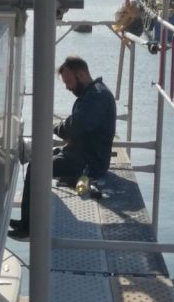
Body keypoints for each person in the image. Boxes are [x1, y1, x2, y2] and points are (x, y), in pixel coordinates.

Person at [9, 56, 116, 240]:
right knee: (39, 160)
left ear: (81, 75)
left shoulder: (96, 97)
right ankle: (26, 220)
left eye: (69, 82)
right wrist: (69, 134)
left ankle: (28, 228)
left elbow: (74, 127)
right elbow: (78, 128)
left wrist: (57, 128)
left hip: (88, 162)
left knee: (37, 168)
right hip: (81, 154)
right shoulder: (92, 94)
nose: (67, 87)